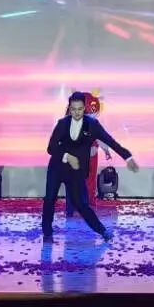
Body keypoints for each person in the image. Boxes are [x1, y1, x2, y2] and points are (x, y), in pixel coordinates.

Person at [42, 92, 139, 243]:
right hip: (57, 168)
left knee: (81, 204)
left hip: (76, 171)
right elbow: (51, 148)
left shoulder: (92, 125)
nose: (76, 113)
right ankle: (47, 233)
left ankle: (102, 231)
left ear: (84, 108)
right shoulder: (62, 123)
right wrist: (68, 156)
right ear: (69, 108)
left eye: (80, 109)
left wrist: (128, 157)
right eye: (73, 109)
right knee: (50, 199)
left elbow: (111, 141)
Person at [64, 91, 112, 218]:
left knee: (88, 181)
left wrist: (106, 149)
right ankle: (74, 207)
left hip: (90, 156)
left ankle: (86, 205)